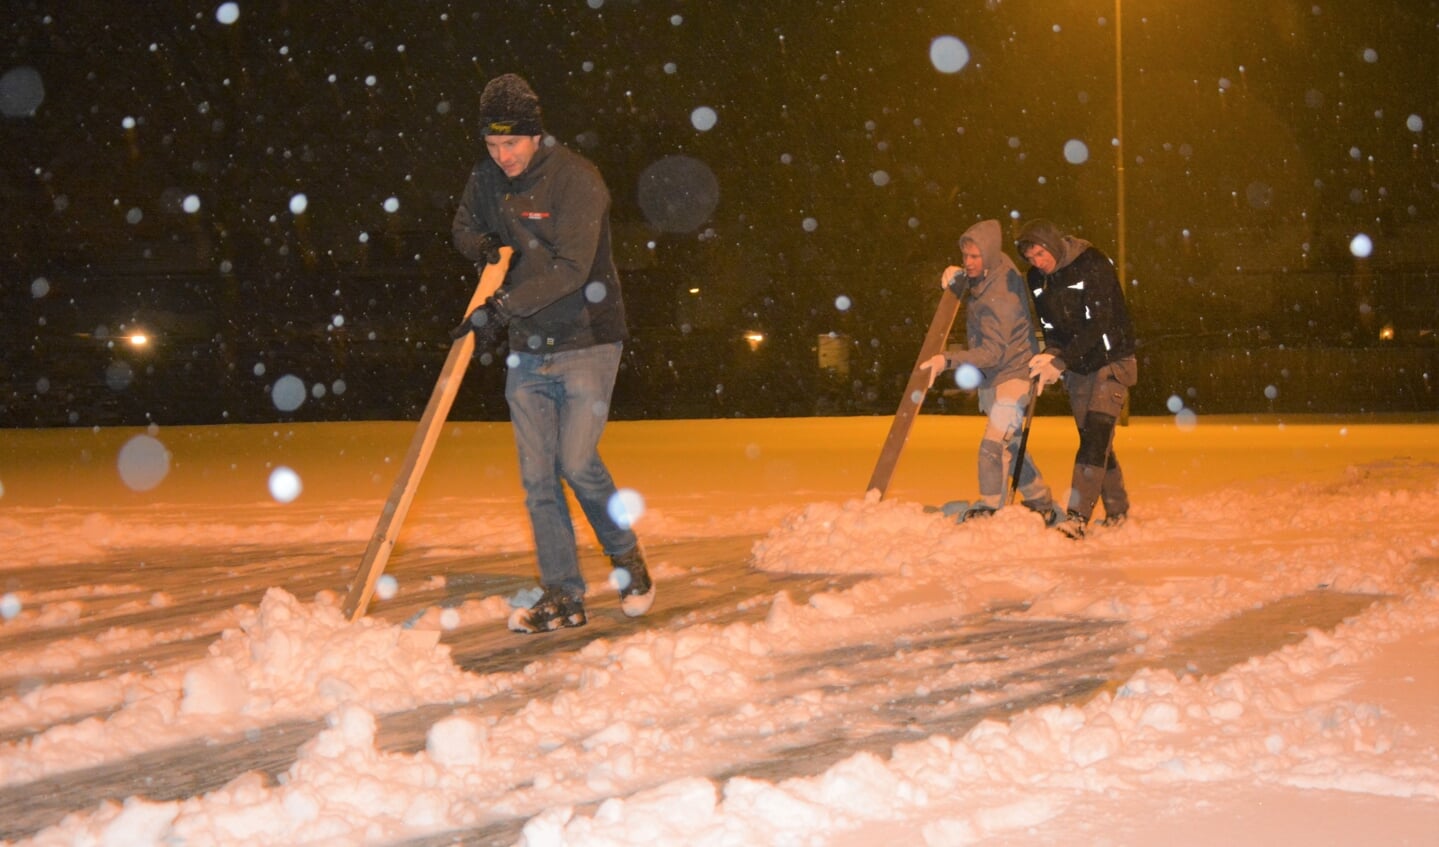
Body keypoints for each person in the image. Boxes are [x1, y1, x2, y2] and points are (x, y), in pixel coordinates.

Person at [450, 73, 654, 633]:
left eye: (511, 144)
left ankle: (625, 555)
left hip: (587, 339)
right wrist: (483, 244)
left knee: (577, 462)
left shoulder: (577, 181)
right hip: (527, 349)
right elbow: (463, 225)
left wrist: (500, 308)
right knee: (539, 479)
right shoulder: (489, 178)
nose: (502, 157)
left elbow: (571, 270)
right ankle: (563, 593)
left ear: (535, 136)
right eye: (492, 146)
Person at [920, 219, 1060, 523]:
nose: (968, 262)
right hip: (998, 376)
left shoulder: (1001, 296)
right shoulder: (993, 269)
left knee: (993, 445)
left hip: (1015, 376)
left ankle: (990, 505)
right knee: (1010, 443)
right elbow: (979, 278)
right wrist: (959, 277)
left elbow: (992, 352)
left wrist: (948, 360)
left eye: (974, 257)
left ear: (989, 254)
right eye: (965, 257)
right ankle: (1039, 498)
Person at [1014, 219, 1138, 539]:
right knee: (1095, 442)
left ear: (1053, 245)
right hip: (1079, 370)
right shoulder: (1037, 279)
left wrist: (1062, 359)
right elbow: (1052, 328)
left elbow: (1101, 321)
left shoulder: (1091, 263)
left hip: (1111, 362)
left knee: (1096, 436)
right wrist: (1050, 356)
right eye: (1031, 259)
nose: (1038, 263)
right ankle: (1118, 509)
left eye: (1041, 254)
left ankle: (1077, 517)